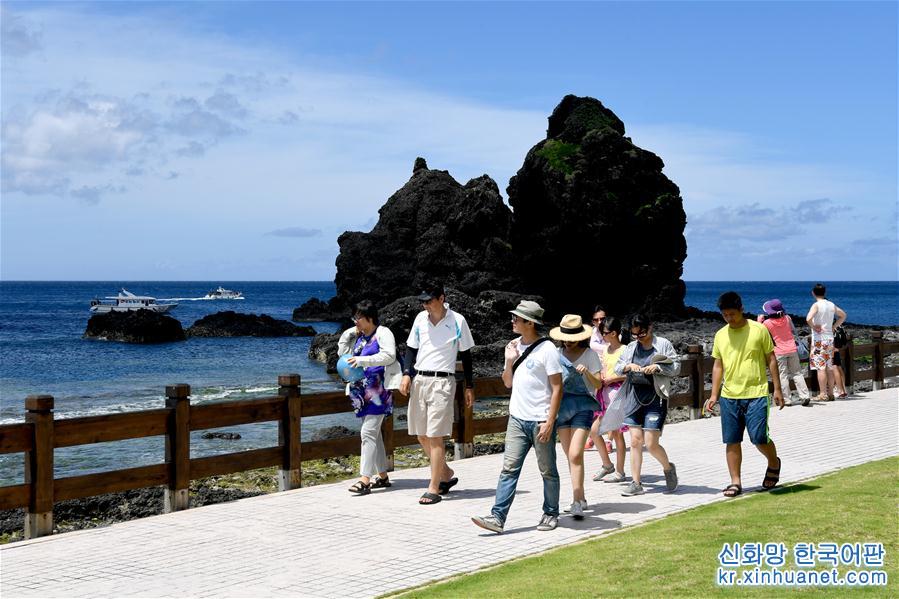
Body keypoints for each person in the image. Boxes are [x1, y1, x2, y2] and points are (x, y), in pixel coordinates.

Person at [471, 300, 562, 534]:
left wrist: (550, 421)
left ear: (529, 323)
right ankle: (497, 517)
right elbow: (508, 382)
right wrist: (510, 360)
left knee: (547, 470)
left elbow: (557, 387)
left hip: (540, 419)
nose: (512, 321)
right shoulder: (512, 346)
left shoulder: (548, 349)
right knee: (509, 469)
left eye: (516, 319)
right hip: (517, 419)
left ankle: (551, 512)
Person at [400, 283, 476, 505]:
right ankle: (445, 473)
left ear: (441, 298)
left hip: (443, 381)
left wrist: (469, 386)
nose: (425, 304)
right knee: (420, 434)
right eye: (423, 301)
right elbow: (411, 348)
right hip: (419, 380)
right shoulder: (419, 319)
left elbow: (467, 355)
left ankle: (434, 488)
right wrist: (406, 373)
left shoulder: (458, 320)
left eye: (429, 300)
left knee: (435, 436)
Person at [704, 291, 785, 498]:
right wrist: (714, 394)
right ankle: (735, 482)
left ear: (741, 309)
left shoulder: (759, 330)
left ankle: (773, 462)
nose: (729, 318)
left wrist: (777, 389)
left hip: (757, 393)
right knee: (731, 440)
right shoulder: (721, 335)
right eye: (725, 315)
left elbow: (771, 359)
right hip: (729, 395)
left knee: (759, 437)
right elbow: (718, 365)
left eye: (732, 313)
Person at [337, 300, 402, 495]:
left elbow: (389, 356)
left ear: (370, 318)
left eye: (358, 317)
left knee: (367, 433)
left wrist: (362, 360)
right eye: (354, 317)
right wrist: (349, 333)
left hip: (378, 392)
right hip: (362, 393)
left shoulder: (383, 333)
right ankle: (382, 476)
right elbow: (342, 353)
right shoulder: (360, 337)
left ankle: (365, 479)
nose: (355, 321)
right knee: (373, 435)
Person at [614, 314, 679, 496]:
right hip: (634, 398)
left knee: (651, 444)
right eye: (634, 334)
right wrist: (629, 366)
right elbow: (617, 367)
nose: (638, 338)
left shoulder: (663, 344)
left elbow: (676, 367)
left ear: (650, 327)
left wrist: (658, 368)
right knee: (635, 441)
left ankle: (668, 468)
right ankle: (636, 483)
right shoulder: (631, 347)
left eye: (641, 333)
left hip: (655, 398)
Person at [550, 314, 602, 520]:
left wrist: (587, 372)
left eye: (571, 337)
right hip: (562, 407)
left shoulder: (589, 354)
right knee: (571, 456)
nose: (568, 342)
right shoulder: (555, 353)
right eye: (565, 337)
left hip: (583, 406)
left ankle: (576, 500)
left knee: (574, 454)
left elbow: (598, 384)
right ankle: (581, 497)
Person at [593, 316, 628, 483]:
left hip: (618, 395)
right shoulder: (606, 349)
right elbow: (604, 367)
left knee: (617, 434)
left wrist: (612, 379)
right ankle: (607, 465)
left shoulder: (625, 350)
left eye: (604, 333)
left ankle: (620, 472)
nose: (603, 336)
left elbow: (629, 375)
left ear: (614, 333)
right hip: (604, 394)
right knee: (594, 431)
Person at [756, 299, 811, 407]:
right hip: (792, 349)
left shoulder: (767, 323)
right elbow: (790, 330)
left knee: (783, 375)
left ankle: (787, 399)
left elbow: (759, 333)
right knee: (797, 373)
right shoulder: (787, 318)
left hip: (778, 352)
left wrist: (759, 321)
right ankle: (804, 396)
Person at [806, 283, 847, 401]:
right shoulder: (831, 305)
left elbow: (808, 318)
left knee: (820, 367)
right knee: (829, 366)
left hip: (819, 340)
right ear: (825, 293)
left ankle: (822, 393)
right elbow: (843, 315)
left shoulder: (816, 305)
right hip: (829, 339)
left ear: (813, 293)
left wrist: (814, 327)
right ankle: (831, 393)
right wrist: (834, 326)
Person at [586, 306, 613, 454]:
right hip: (595, 372)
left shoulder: (614, 332)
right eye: (596, 319)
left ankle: (609, 440)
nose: (600, 321)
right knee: (594, 405)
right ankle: (593, 436)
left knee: (609, 407)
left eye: (602, 318)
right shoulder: (591, 332)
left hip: (610, 373)